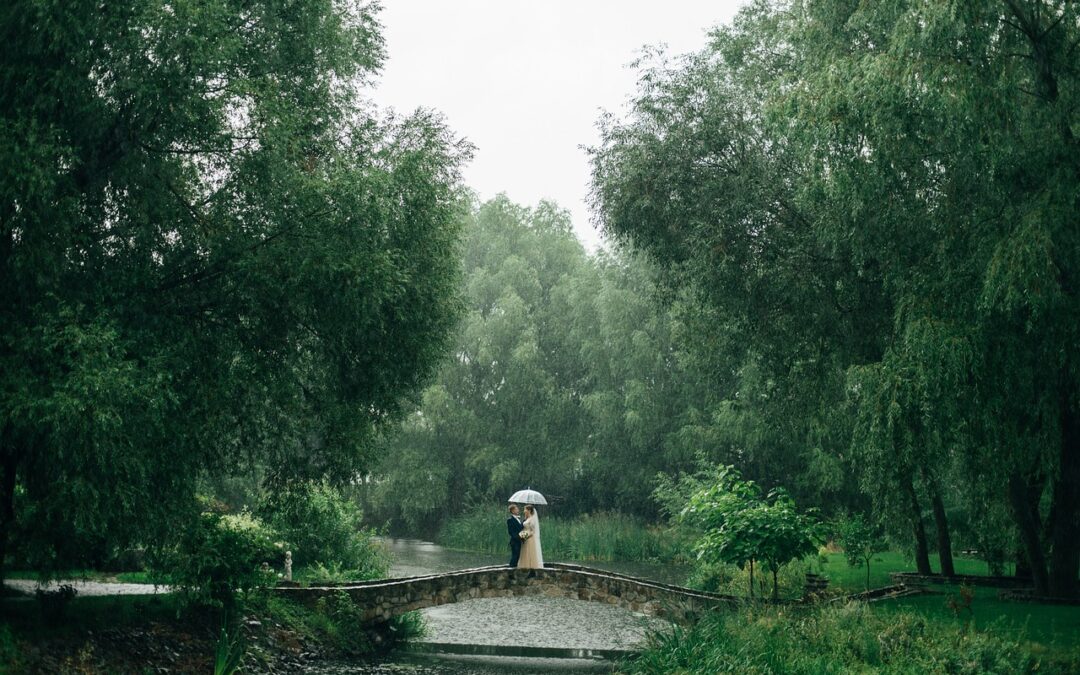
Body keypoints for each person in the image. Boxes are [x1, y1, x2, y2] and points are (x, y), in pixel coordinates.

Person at [517, 504, 544, 571]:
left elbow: (533, 531)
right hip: (525, 538)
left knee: (529, 552)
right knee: (524, 552)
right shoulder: (527, 518)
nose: (524, 511)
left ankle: (531, 567)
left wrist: (524, 535)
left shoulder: (532, 519)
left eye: (525, 509)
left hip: (529, 538)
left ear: (529, 510)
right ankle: (525, 567)